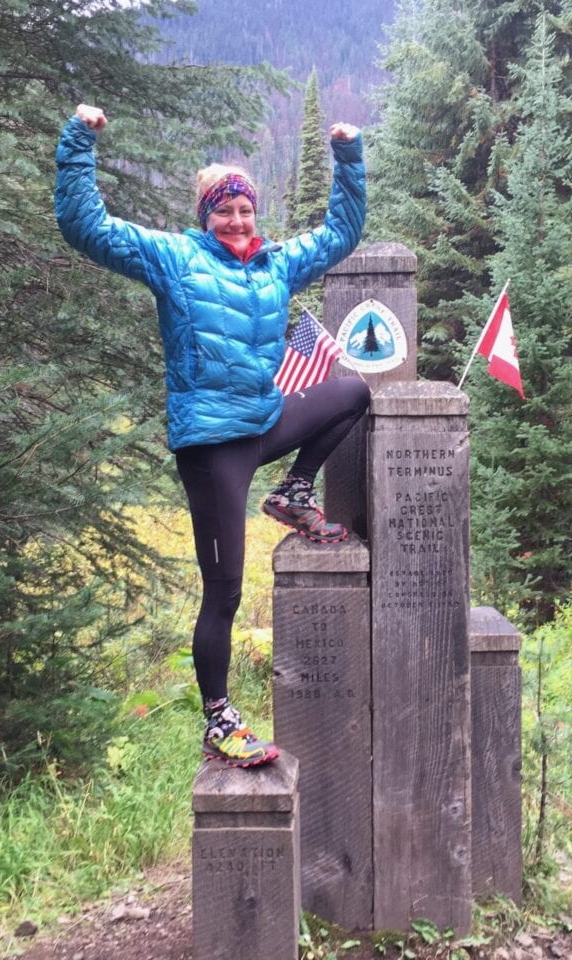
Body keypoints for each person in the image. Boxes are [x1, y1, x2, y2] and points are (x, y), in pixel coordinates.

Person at [55, 103, 369, 768]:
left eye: (245, 210)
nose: (237, 220)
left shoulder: (276, 264)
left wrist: (348, 156)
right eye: (224, 210)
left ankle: (293, 492)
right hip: (211, 447)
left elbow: (341, 232)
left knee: (352, 395)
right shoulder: (174, 259)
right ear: (206, 216)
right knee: (225, 588)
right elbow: (86, 226)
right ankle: (219, 718)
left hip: (262, 422)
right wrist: (79, 140)